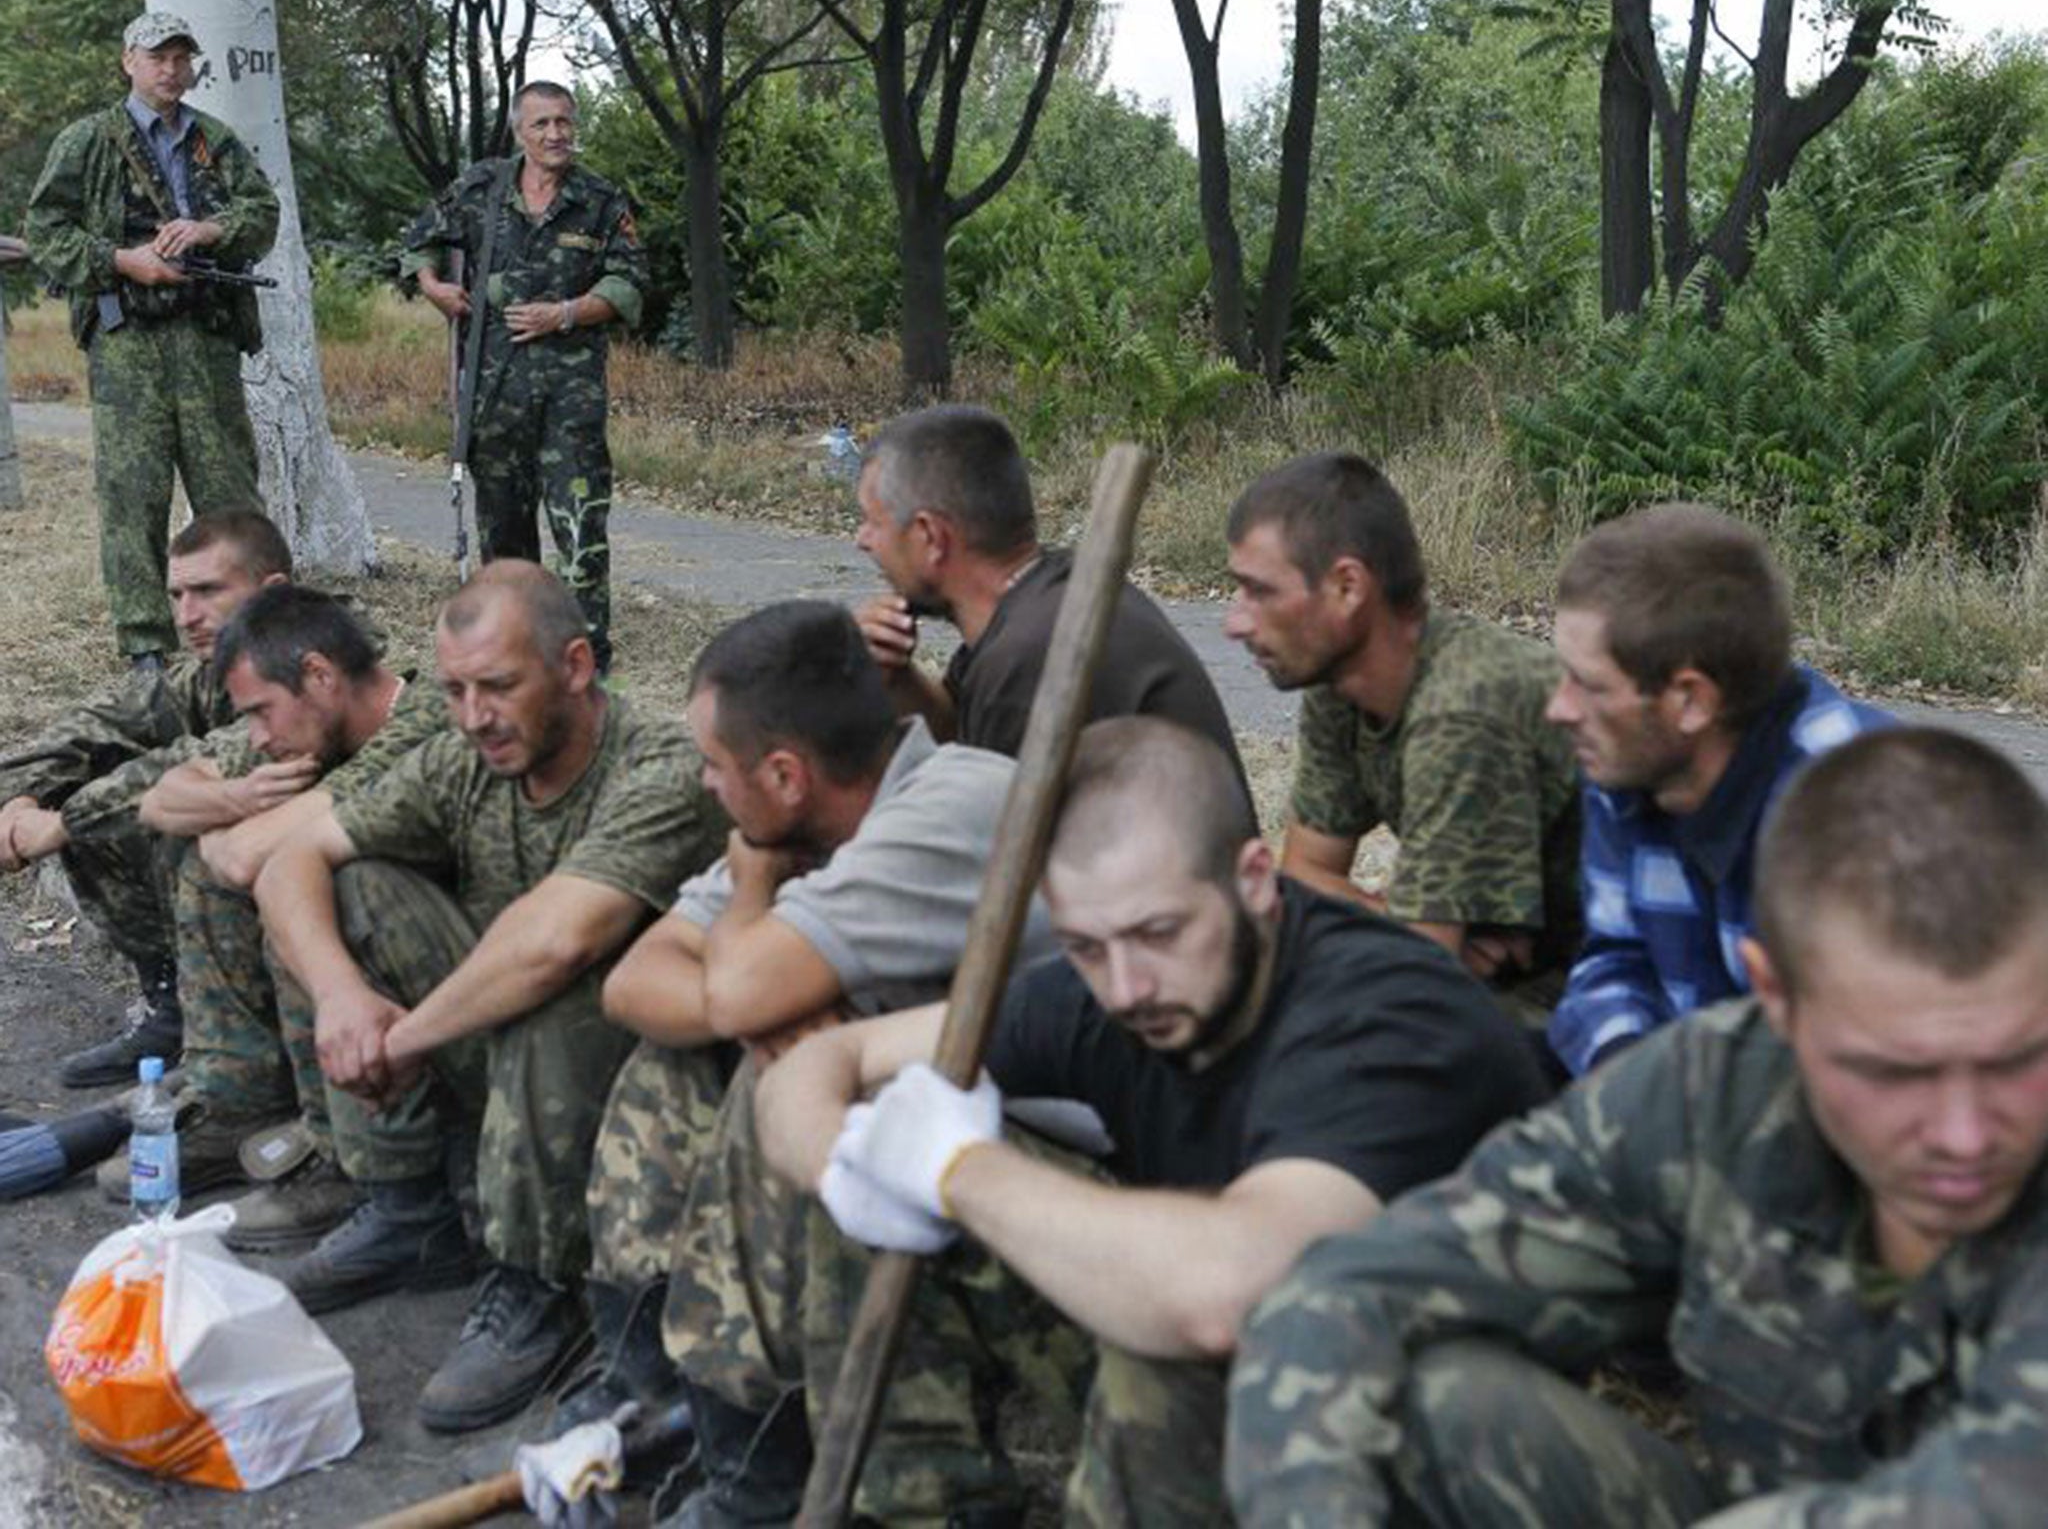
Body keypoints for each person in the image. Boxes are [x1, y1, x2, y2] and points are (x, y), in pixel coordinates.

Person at [1227, 727, 2048, 1526]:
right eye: (1893, 1072)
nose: (1965, 1135)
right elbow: (1347, 1292)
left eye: (2017, 1059)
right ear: (1776, 997)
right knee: (1433, 1400)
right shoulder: (1712, 1089)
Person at [758, 717, 1551, 1526]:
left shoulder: (1389, 1020)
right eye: (1085, 946)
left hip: (1451, 1432)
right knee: (879, 1161)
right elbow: (821, 1064)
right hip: (1257, 1364)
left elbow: (1223, 1295)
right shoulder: (1114, 982)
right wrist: (843, 1165)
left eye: (1159, 933)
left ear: (1255, 879)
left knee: (1162, 1359)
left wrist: (956, 1168)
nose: (1126, 988)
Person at [578, 600, 1063, 1509]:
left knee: (787, 1086)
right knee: (684, 1063)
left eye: (716, 766)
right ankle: (664, 1392)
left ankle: (759, 1479)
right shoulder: (796, 830)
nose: (706, 785)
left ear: (786, 775)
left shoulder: (950, 807)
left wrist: (751, 943)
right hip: (942, 1108)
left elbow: (736, 989)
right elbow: (637, 979)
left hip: (1060, 1162)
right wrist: (759, 1006)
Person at [250, 562, 723, 1432]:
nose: (473, 716)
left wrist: (399, 1042)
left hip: (645, 1085)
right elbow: (288, 863)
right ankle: (412, 1209)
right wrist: (344, 998)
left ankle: (542, 1280)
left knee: (559, 986)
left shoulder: (661, 767)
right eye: (456, 690)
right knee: (351, 892)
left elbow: (557, 940)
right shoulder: (466, 758)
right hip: (508, 1052)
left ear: (575, 667)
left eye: (499, 687)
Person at [90, 585, 446, 1254]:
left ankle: (352, 1158)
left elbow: (251, 857)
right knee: (202, 841)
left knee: (313, 884)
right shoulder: (308, 728)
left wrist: (229, 825)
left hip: (456, 972)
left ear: (319, 675)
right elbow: (161, 798)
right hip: (394, 982)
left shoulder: (419, 728)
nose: (256, 735)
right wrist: (232, 799)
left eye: (260, 711)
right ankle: (239, 1101)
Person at [1223, 453, 1580, 1017]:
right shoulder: (1340, 685)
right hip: (1507, 976)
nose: (1234, 623)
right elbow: (1304, 875)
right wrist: (1398, 921)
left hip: (1606, 993)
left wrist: (1414, 936)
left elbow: (1420, 976)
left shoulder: (1460, 710)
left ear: (1347, 587)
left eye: (1259, 592)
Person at [1544, 504, 1891, 1075]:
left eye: (1589, 685)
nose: (1559, 709)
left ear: (1691, 700)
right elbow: (1615, 958)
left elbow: (1882, 1059)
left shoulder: (1858, 805)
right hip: (1699, 1092)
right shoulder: (1626, 763)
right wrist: (1628, 1087)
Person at [24, 11, 278, 669]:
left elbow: (262, 214)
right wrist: (122, 261)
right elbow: (47, 232)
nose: (170, 69)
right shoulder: (88, 141)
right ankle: (145, 647)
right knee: (132, 495)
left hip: (206, 340)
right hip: (127, 342)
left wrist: (209, 230)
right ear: (128, 61)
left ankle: (249, 630)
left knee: (229, 491)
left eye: (180, 58)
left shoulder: (214, 140)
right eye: (156, 56)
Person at [0, 510, 290, 1086]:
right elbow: (103, 722)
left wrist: (61, 824)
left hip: (349, 893)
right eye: (177, 595)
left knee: (135, 809)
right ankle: (177, 1008)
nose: (186, 616)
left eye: (208, 591)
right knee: (93, 781)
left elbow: (220, 755)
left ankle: (252, 1042)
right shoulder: (219, 668)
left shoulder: (317, 664)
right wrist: (20, 799)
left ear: (273, 592)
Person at [852, 404, 1245, 783]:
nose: (862, 540)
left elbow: (973, 809)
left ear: (931, 537)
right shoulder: (1047, 596)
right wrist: (895, 674)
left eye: (872, 522)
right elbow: (955, 730)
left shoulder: (1031, 653)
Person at [400, 79, 648, 673]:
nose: (555, 134)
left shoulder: (600, 199)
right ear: (519, 131)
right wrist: (434, 288)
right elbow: (418, 242)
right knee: (504, 535)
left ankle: (587, 660)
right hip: (494, 395)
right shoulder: (481, 188)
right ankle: (514, 649)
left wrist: (565, 314)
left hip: (571, 397)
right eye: (542, 123)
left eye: (564, 122)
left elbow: (630, 282)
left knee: (580, 525)